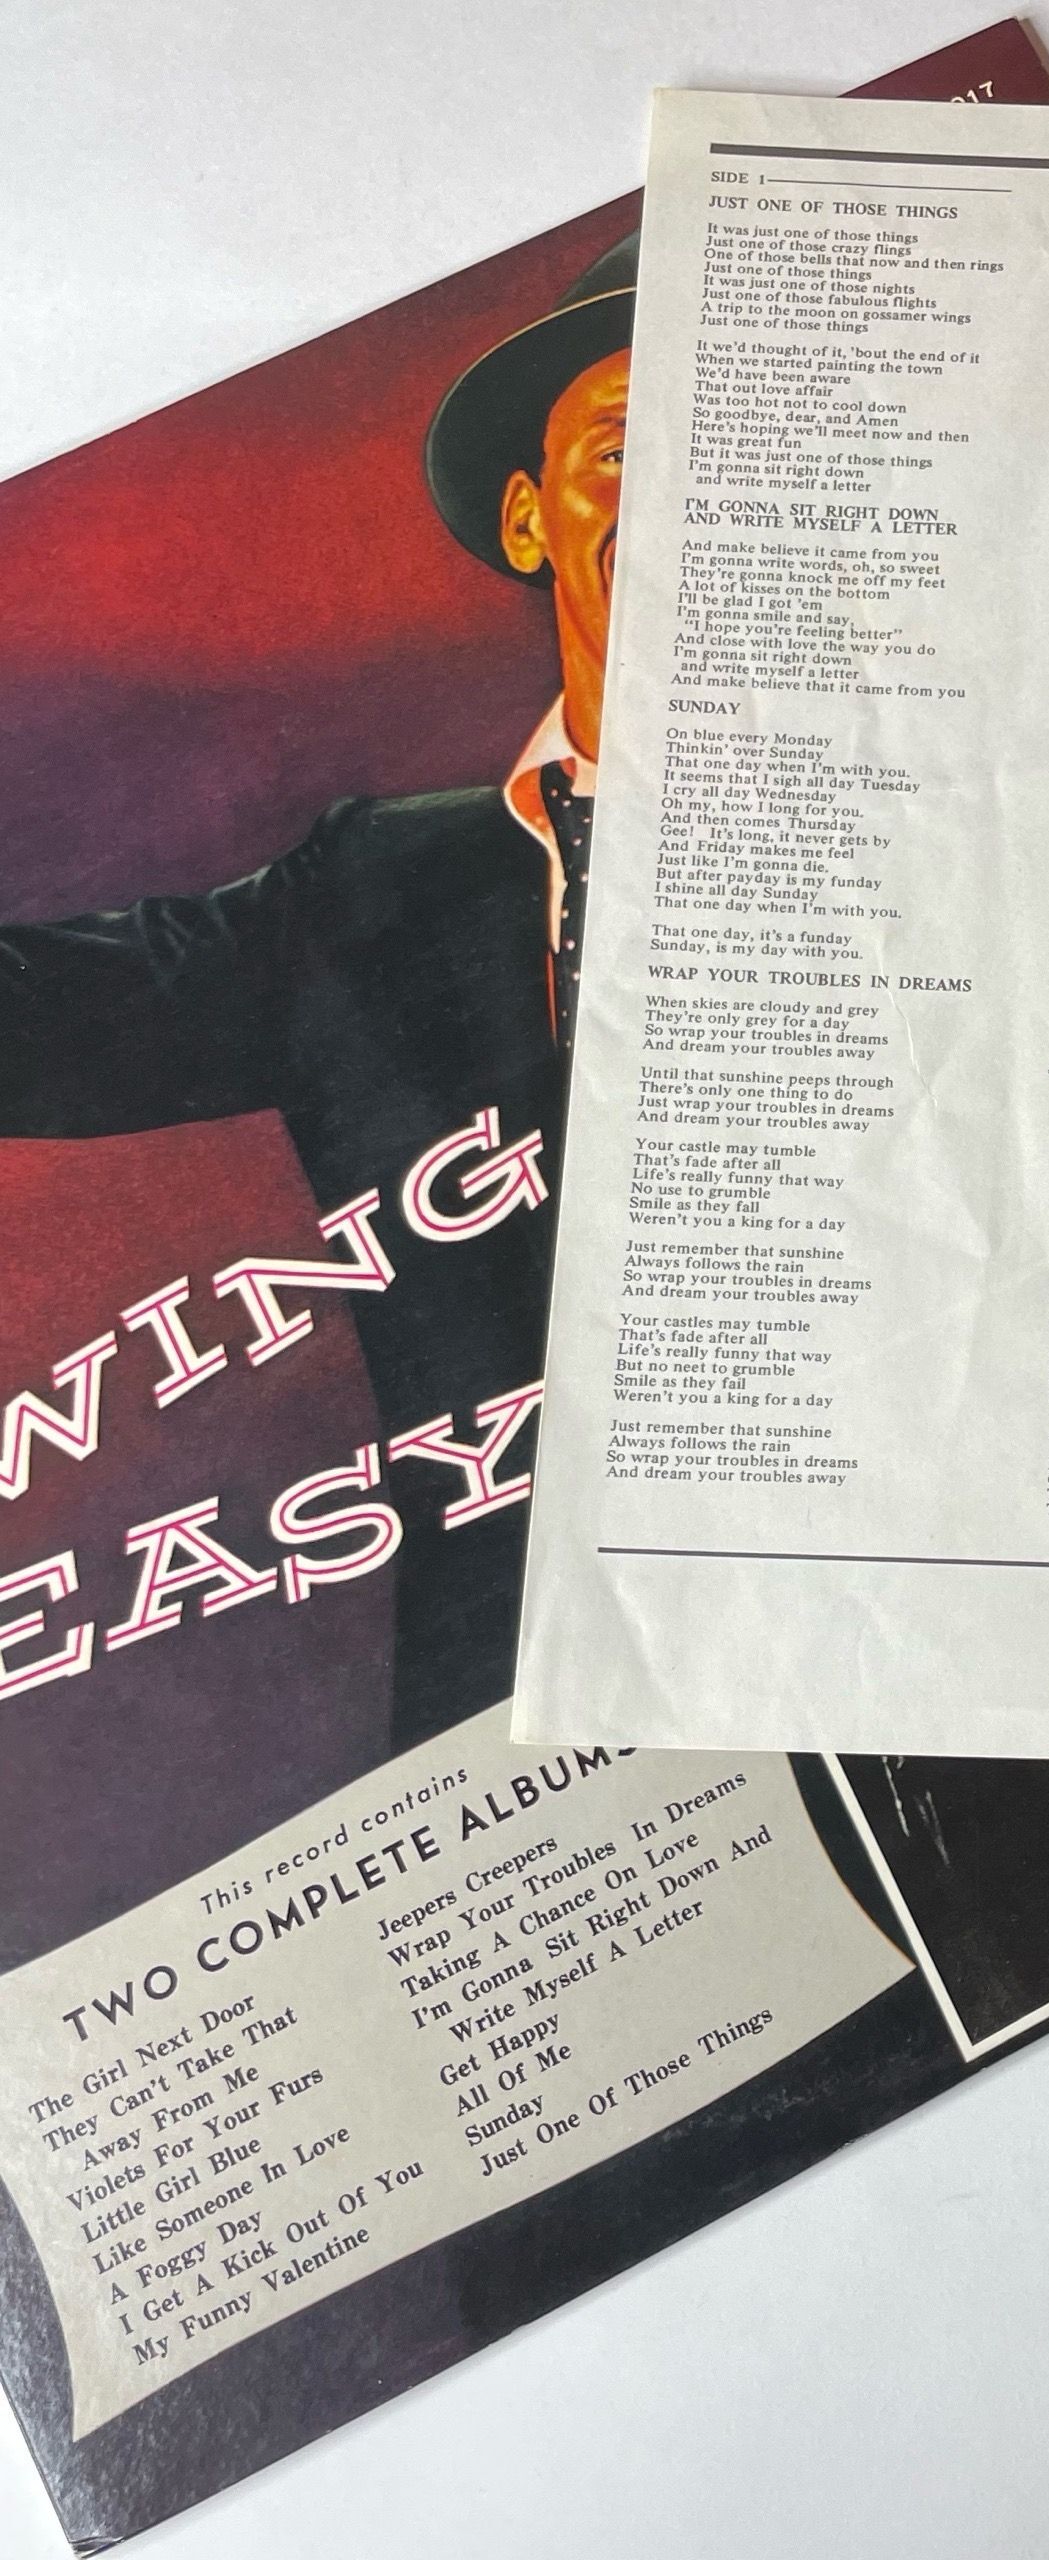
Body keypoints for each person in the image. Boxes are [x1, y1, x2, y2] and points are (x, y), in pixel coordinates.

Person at [0, 235, 641, 1744]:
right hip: (544, 1727)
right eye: (626, 448)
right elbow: (38, 1021)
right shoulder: (372, 894)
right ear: (531, 518)